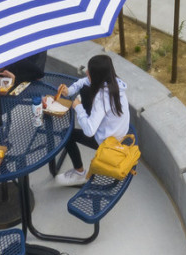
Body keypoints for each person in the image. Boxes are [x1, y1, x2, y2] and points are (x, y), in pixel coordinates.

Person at [48, 54, 129, 184]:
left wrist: (78, 107)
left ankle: (79, 173)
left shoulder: (102, 98)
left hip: (108, 143)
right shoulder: (114, 83)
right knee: (85, 90)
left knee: (66, 134)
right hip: (118, 131)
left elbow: (89, 131)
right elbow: (84, 81)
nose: (86, 72)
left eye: (89, 71)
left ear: (97, 76)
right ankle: (87, 116)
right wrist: (69, 91)